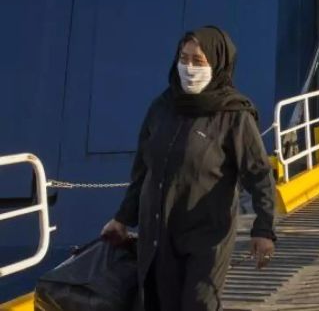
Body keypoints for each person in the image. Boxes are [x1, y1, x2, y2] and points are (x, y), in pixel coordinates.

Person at [101, 27, 276, 311]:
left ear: (218, 63)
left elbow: (259, 174)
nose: (189, 68)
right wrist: (122, 219)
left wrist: (264, 229)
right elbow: (142, 171)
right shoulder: (162, 107)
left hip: (206, 237)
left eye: (199, 61)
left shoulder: (234, 115)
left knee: (198, 304)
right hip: (157, 234)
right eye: (184, 59)